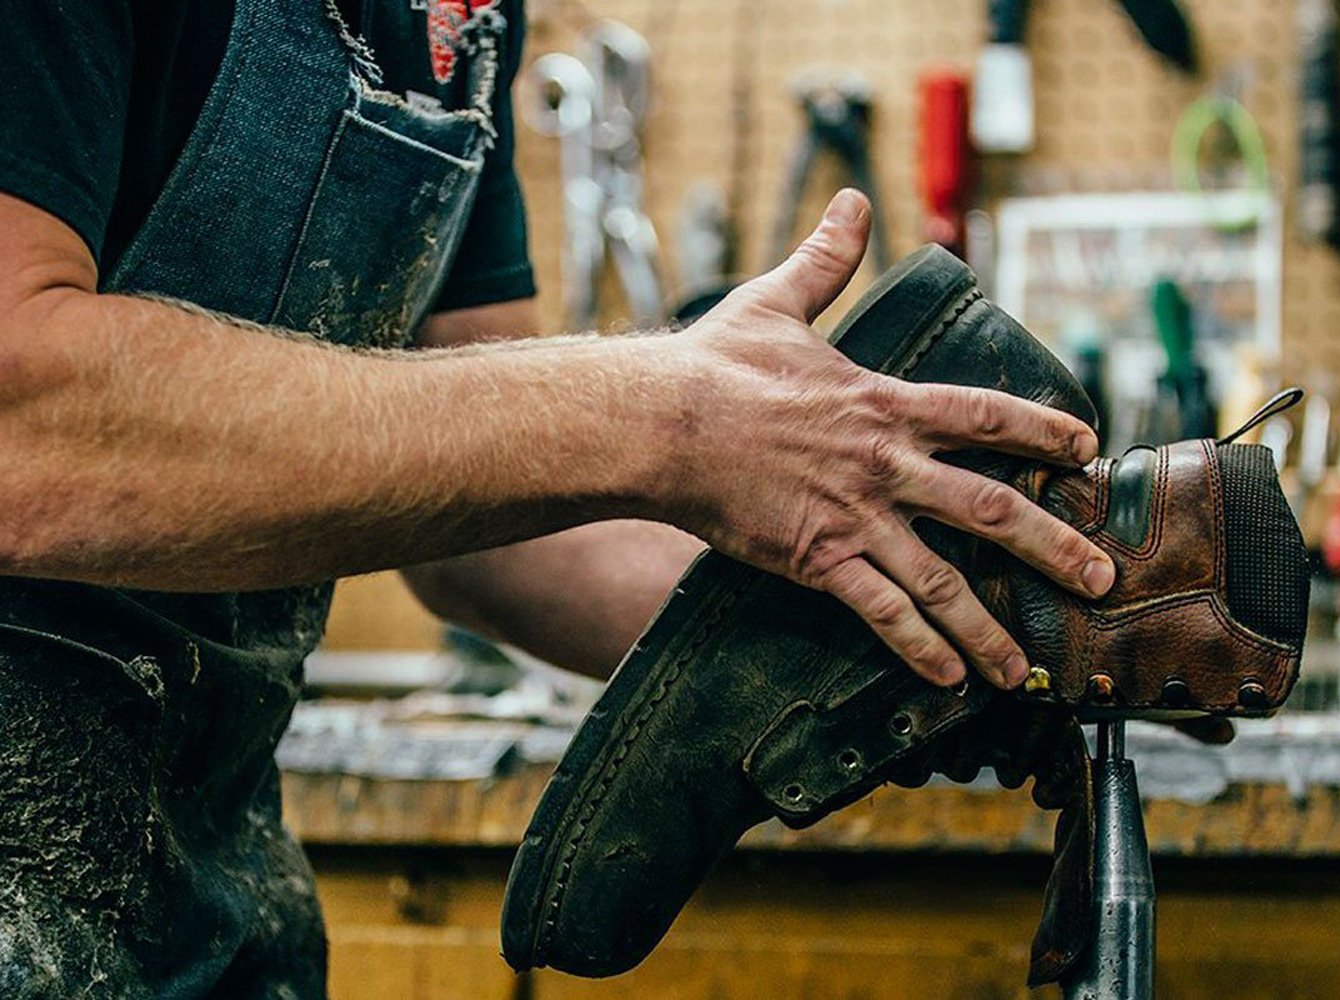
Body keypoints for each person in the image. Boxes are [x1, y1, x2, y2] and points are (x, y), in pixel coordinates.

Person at [0, 0, 1114, 995]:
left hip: (207, 902)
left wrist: (933, 621)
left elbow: (487, 527)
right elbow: (23, 430)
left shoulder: (462, 15)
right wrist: (670, 413)